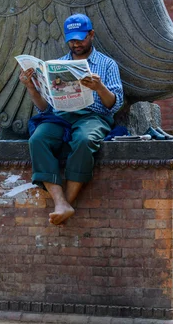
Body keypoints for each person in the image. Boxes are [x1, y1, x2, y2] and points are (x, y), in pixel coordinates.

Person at [19, 14, 124, 226]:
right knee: (38, 139)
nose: (75, 44)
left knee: (85, 140)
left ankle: (66, 202)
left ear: (91, 35)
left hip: (93, 116)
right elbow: (44, 107)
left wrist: (99, 88)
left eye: (80, 38)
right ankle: (60, 202)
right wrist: (31, 87)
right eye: (71, 39)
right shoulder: (57, 65)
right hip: (61, 116)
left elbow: (115, 104)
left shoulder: (106, 64)